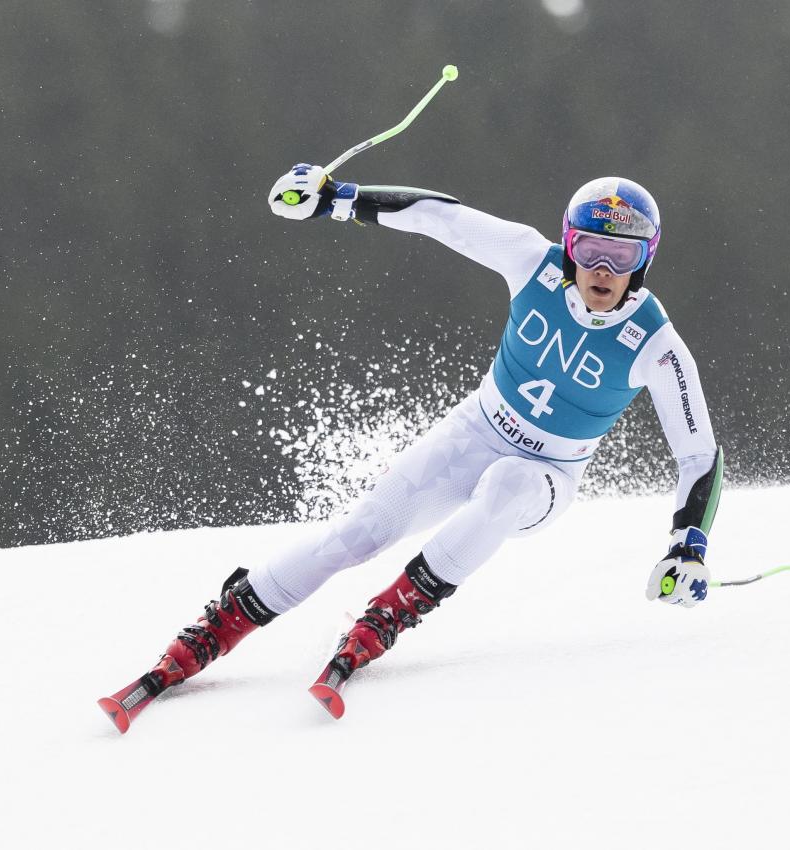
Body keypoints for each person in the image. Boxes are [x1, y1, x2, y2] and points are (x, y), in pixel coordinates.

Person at [102, 166, 722, 723]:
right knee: (356, 535)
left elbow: (699, 454)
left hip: (547, 477)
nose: (603, 271)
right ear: (568, 245)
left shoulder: (656, 345)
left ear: (645, 259)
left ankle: (389, 615)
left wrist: (686, 546)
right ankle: (218, 625)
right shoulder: (530, 261)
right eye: (590, 250)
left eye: (622, 254)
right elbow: (439, 216)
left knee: (508, 483)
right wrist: (333, 199)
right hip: (476, 431)